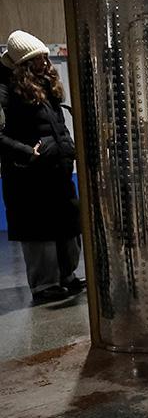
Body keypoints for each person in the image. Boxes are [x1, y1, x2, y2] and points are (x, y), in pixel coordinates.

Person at [0, 31, 84, 304]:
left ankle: (67, 276)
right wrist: (28, 153)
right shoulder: (5, 89)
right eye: (39, 59)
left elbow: (57, 125)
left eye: (46, 57)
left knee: (67, 226)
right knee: (39, 232)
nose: (46, 63)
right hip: (29, 176)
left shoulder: (46, 85)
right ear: (23, 63)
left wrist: (68, 146)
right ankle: (45, 284)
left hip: (57, 170)